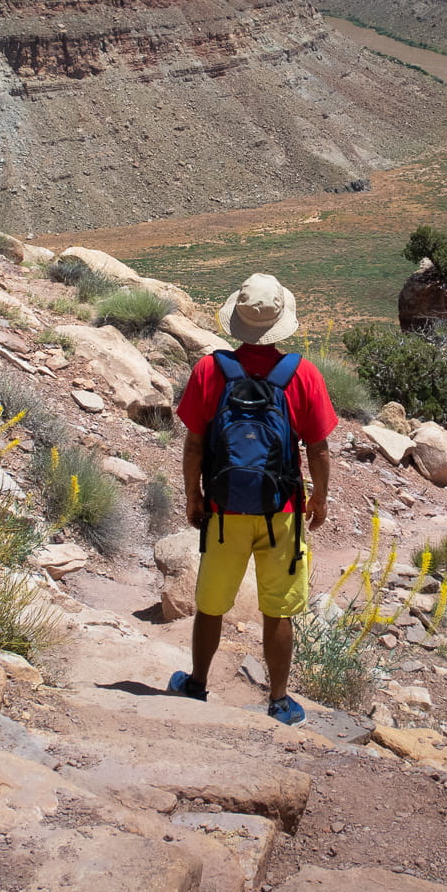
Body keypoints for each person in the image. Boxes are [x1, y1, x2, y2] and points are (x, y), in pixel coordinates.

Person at [166, 272, 336, 725]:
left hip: (223, 512)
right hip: (280, 513)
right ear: (282, 320)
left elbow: (194, 445)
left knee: (211, 603)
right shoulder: (302, 374)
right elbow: (317, 448)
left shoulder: (209, 370)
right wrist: (319, 499)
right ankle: (279, 701)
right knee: (278, 609)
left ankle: (197, 685)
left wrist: (193, 497)